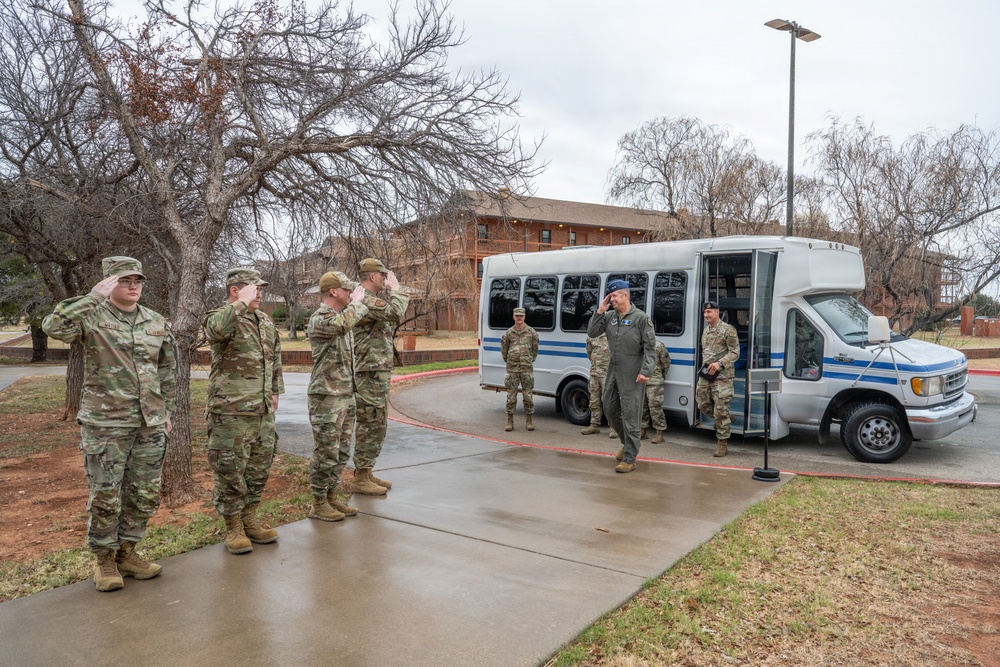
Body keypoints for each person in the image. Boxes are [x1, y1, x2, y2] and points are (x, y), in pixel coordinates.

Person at [42, 256, 175, 592]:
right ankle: (104, 559)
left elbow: (166, 371)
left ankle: (127, 553)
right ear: (109, 283)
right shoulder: (92, 316)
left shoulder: (155, 320)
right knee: (106, 495)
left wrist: (166, 411)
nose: (133, 286)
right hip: (106, 423)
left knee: (143, 493)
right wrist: (92, 297)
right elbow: (53, 327)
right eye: (124, 280)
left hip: (149, 424)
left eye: (138, 281)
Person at [202, 268, 284, 555]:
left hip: (261, 410)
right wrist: (237, 305)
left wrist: (275, 390)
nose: (259, 292)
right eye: (253, 288)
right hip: (231, 410)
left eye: (261, 288)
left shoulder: (265, 321)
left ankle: (250, 519)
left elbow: (275, 358)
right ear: (235, 290)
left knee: (259, 468)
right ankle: (233, 526)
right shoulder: (222, 315)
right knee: (230, 470)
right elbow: (214, 331)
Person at [306, 271, 368, 521]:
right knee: (326, 451)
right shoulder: (320, 318)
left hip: (344, 395)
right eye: (347, 289)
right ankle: (319, 503)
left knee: (342, 451)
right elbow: (342, 325)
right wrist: (357, 304)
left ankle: (331, 497)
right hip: (326, 397)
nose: (352, 293)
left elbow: (346, 323)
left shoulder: (343, 316)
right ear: (333, 291)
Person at [352, 258, 409, 495]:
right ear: (373, 277)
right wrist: (397, 290)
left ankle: (365, 471)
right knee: (371, 422)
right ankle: (361, 475)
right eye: (383, 275)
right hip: (369, 370)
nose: (386, 279)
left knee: (376, 422)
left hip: (375, 368)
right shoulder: (365, 298)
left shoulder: (369, 298)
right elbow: (396, 312)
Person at [587, 279, 655, 473]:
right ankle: (627, 443)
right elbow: (592, 333)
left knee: (631, 415)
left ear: (626, 295)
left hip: (632, 372)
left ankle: (630, 458)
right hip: (613, 370)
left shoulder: (641, 318)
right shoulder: (609, 317)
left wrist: (645, 371)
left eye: (615, 296)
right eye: (610, 296)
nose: (612, 299)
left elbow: (650, 348)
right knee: (609, 407)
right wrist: (600, 310)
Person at [695, 300, 741, 457]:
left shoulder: (728, 330)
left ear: (717, 312)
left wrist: (720, 363)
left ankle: (722, 443)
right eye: (705, 312)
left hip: (722, 377)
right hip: (706, 375)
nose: (707, 315)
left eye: (710, 312)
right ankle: (726, 418)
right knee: (702, 405)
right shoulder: (706, 330)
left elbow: (735, 352)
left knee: (720, 410)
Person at [500, 307, 539, 431]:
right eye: (517, 316)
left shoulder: (531, 332)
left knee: (528, 396)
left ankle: (529, 421)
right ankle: (510, 422)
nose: (519, 318)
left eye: (521, 316)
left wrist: (528, 360)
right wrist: (510, 361)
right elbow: (504, 350)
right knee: (511, 396)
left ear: (524, 317)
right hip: (513, 369)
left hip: (526, 368)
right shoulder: (508, 333)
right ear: (513, 317)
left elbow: (535, 350)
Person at [641, 340, 671, 444]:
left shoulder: (658, 345)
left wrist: (660, 376)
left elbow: (666, 363)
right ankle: (642, 431)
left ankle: (659, 433)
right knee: (641, 407)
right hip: (640, 381)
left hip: (655, 381)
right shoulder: (636, 344)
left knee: (655, 408)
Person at [580, 333, 610, 436]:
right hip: (594, 373)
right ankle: (594, 425)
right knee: (594, 400)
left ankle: (614, 427)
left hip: (608, 374)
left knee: (609, 401)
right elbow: (589, 353)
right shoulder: (591, 335)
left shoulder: (613, 333)